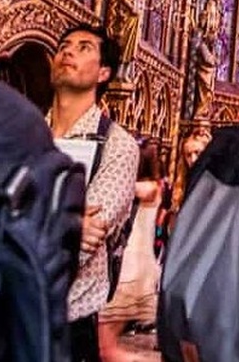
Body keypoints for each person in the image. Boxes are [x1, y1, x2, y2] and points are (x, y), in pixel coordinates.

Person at [48, 24, 139, 361]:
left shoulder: (117, 145)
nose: (68, 51)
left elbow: (85, 242)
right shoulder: (26, 132)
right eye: (64, 45)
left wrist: (17, 219)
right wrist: (68, 224)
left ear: (104, 73)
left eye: (84, 47)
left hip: (68, 325)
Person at [98, 139, 164, 361]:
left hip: (129, 273)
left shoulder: (148, 188)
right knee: (106, 347)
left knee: (106, 349)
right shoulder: (151, 187)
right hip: (134, 270)